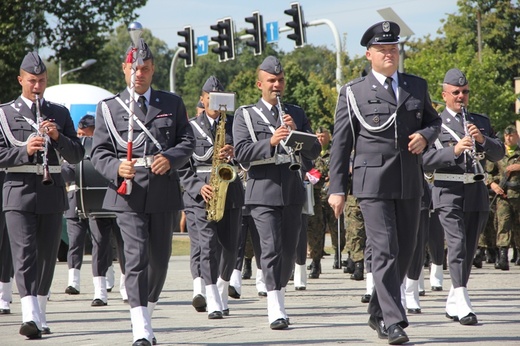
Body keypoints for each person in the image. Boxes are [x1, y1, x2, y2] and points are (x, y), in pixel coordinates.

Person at [327, 22, 441, 345]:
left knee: (406, 253)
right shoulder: (353, 92)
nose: (389, 54)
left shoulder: (415, 87)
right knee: (386, 249)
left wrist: (426, 136)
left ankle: (377, 311)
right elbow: (340, 144)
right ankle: (394, 321)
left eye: (393, 49)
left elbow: (433, 121)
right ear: (369, 55)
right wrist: (337, 188)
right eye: (382, 50)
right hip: (371, 182)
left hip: (408, 181)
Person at [91, 40, 195, 346]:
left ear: (152, 71)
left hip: (163, 191)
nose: (140, 73)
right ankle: (141, 327)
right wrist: (115, 168)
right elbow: (98, 152)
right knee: (134, 258)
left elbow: (187, 141)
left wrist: (172, 158)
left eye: (145, 69)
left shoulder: (171, 103)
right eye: (135, 68)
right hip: (128, 191)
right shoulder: (109, 109)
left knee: (159, 261)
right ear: (125, 69)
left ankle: (146, 310)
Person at [0, 52, 85, 339]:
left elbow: (78, 153)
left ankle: (41, 313)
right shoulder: (4, 113)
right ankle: (29, 316)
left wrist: (59, 138)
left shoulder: (59, 112)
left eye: (42, 81)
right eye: (32, 81)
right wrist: (25, 150)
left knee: (48, 256)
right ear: (20, 80)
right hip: (18, 192)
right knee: (23, 254)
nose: (37, 87)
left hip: (51, 191)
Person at [233, 56, 321, 329]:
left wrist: (298, 133)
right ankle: (276, 307)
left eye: (280, 80)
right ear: (260, 84)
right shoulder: (245, 115)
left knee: (288, 251)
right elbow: (241, 152)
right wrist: (270, 141)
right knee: (269, 249)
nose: (277, 85)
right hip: (263, 190)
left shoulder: (295, 111)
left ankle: (278, 292)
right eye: (271, 80)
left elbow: (315, 152)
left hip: (292, 189)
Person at [423, 68, 504, 326]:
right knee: (456, 243)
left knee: (469, 249)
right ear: (444, 94)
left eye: (465, 92)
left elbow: (499, 153)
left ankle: (453, 300)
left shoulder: (480, 121)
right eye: (456, 92)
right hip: (448, 190)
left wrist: (482, 139)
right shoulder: (433, 125)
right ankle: (464, 302)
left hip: (476, 191)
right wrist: (454, 151)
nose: (461, 96)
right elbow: (423, 160)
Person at [179, 75, 243, 319]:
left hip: (231, 190)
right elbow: (183, 166)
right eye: (209, 97)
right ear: (202, 99)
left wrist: (234, 153)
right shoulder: (190, 128)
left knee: (230, 247)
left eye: (218, 97)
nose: (214, 102)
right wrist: (196, 187)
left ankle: (222, 289)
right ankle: (212, 297)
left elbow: (247, 155)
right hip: (202, 193)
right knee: (206, 245)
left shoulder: (236, 124)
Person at [62, 114, 125, 306]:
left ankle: (126, 288)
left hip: (119, 199)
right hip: (93, 203)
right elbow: (71, 172)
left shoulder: (116, 142)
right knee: (99, 245)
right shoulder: (82, 148)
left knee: (124, 246)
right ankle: (99, 292)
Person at [488, 125, 520, 270]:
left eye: (512, 135)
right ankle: (502, 258)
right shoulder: (498, 154)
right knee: (503, 225)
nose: (508, 138)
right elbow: (488, 173)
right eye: (507, 136)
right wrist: (493, 185)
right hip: (504, 196)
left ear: (517, 136)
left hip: (518, 194)